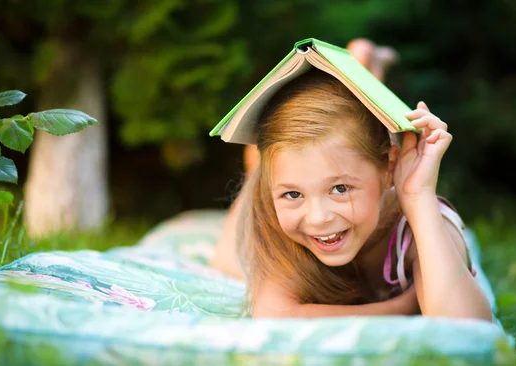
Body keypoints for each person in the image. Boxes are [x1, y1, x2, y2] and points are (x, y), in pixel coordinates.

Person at [210, 39, 491, 321]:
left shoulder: (422, 229)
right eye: (293, 194)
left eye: (340, 188)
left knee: (353, 134)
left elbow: (471, 329)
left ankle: (362, 73)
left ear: (388, 168)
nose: (318, 218)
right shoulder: (285, 224)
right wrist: (402, 308)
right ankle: (255, 167)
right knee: (227, 261)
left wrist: (419, 199)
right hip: (276, 173)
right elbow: (273, 314)